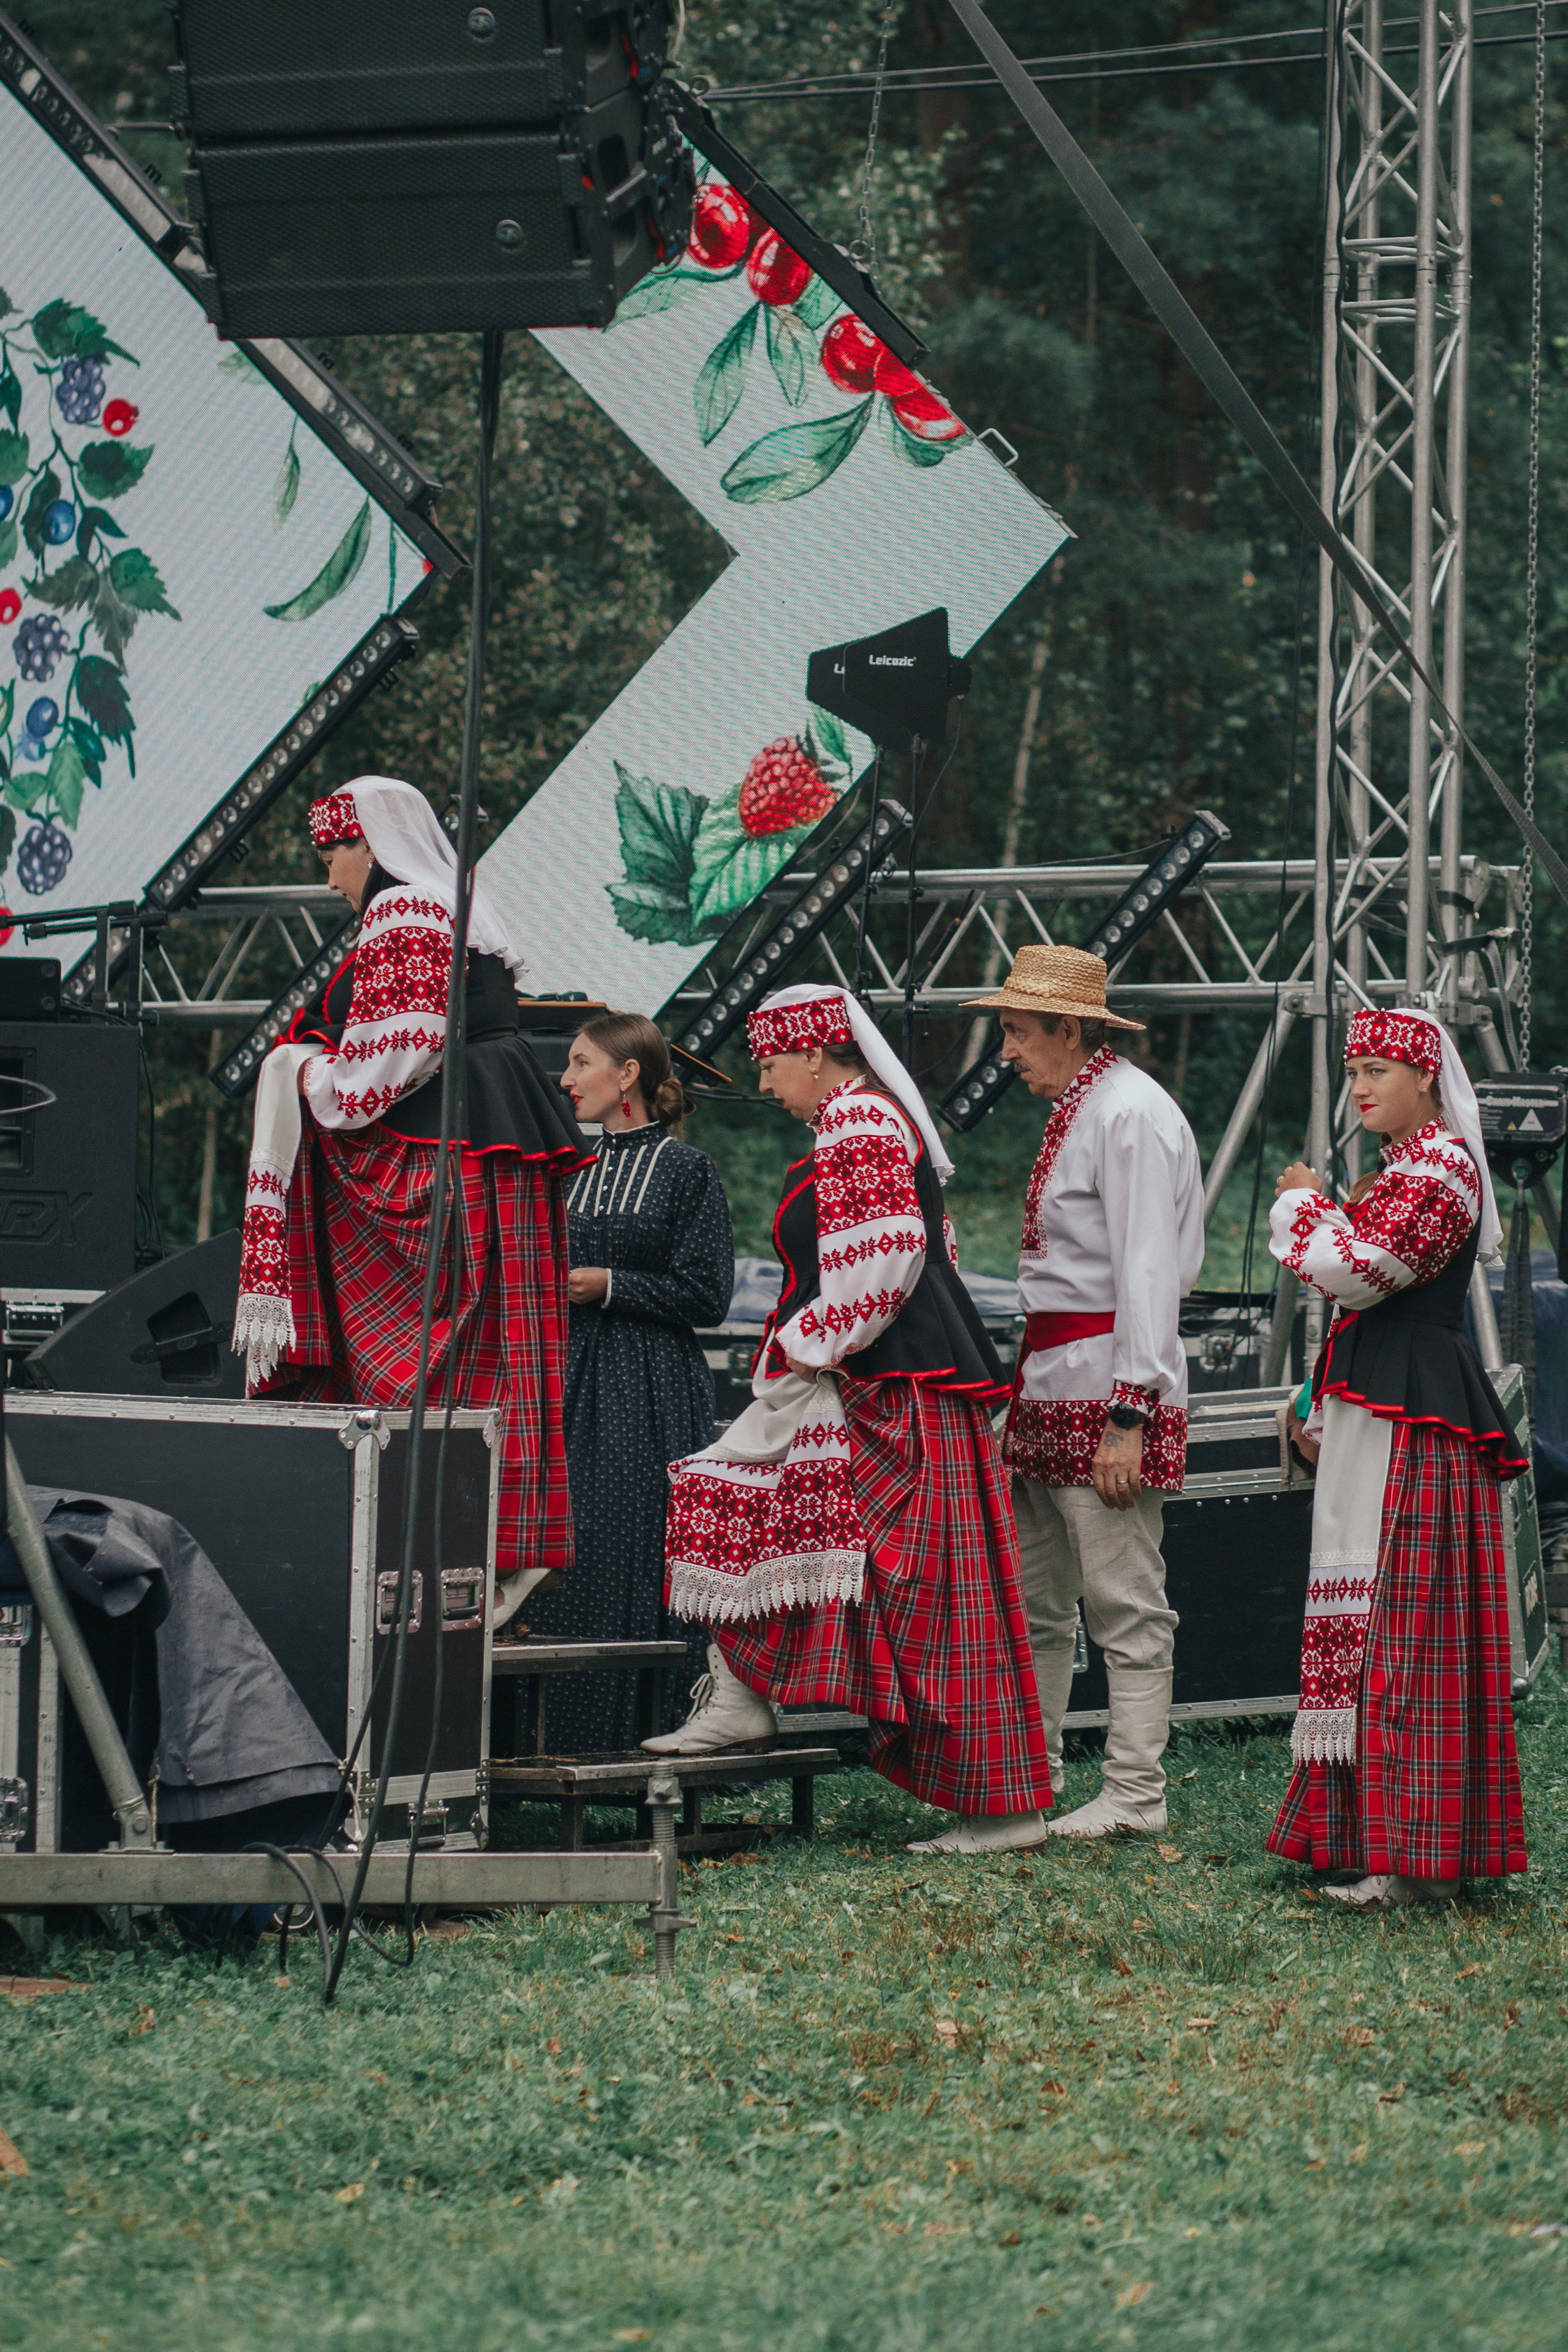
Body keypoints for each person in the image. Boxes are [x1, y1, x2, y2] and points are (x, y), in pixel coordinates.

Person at [649, 982, 1053, 1857]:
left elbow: (890, 1260)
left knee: (931, 1591)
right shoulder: (859, 1122)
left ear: (812, 1053)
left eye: (768, 1063)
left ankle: (1001, 1805)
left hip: (893, 1385)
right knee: (757, 1506)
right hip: (877, 1378)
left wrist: (809, 1345)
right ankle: (742, 1692)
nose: (764, 1085)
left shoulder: (858, 1122)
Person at [232, 775, 587, 1611]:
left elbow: (394, 1056)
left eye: (333, 855)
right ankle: (504, 1539)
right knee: (497, 1344)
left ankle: (440, 1540)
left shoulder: (407, 914)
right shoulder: (454, 911)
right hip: (489, 1143)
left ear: (371, 844)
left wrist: (308, 1077)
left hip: (446, 1154)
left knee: (433, 1355)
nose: (329, 879)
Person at [1267, 1006, 1528, 1907]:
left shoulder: (1445, 1166)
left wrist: (1305, 1203)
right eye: (1354, 1071)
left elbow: (1365, 1271)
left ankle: (1416, 1854)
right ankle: (1377, 1839)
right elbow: (1363, 1288)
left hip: (1418, 1417)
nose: (1363, 1085)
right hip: (1384, 1403)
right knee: (1373, 1609)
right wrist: (1319, 1397)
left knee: (1406, 1623)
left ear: (1426, 1080)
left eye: (1381, 1068)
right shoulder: (1406, 1168)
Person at [965, 942, 1205, 1838]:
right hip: (1052, 1378)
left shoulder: (1129, 1113)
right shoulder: (1087, 1105)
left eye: (1019, 1033)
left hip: (1107, 1383)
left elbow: (1148, 1269)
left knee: (1123, 1595)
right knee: (1038, 1597)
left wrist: (1131, 1411)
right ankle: (1030, 1780)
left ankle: (1135, 1792)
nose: (1008, 1052)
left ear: (1070, 1029)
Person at [516, 1013, 734, 1752]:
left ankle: (644, 1736)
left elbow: (708, 1295)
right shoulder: (565, 1164)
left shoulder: (686, 1170)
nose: (566, 1079)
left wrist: (611, 1285)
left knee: (636, 1544)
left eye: (580, 1064)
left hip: (647, 1386)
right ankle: (554, 1739)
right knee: (564, 1544)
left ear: (628, 1075)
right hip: (567, 1380)